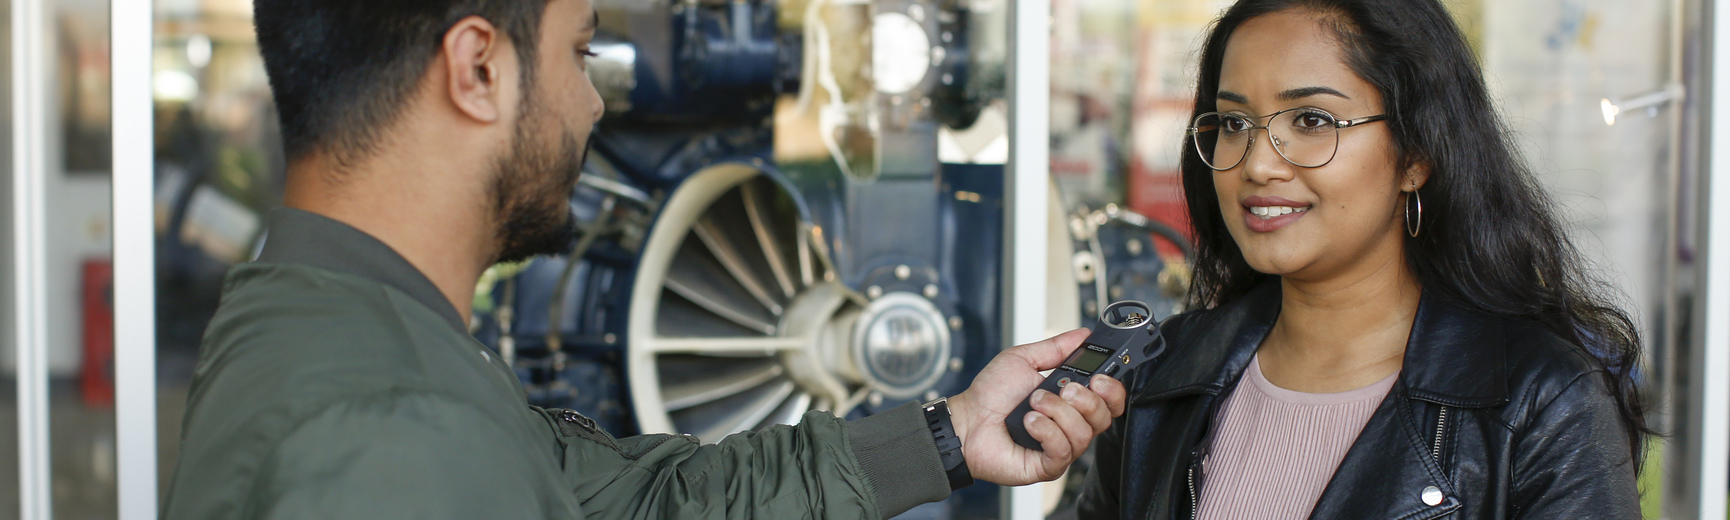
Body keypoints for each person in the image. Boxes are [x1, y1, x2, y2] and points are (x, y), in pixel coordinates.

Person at [160, 0, 1128, 518]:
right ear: (477, 68)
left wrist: (950, 435)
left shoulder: (327, 323)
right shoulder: (394, 425)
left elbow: (636, 499)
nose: (590, 107)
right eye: (580, 55)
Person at [1075, 1, 1649, 519]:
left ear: (1415, 156)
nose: (1258, 166)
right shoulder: (1160, 376)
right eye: (1234, 123)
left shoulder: (1541, 399)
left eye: (1311, 121)